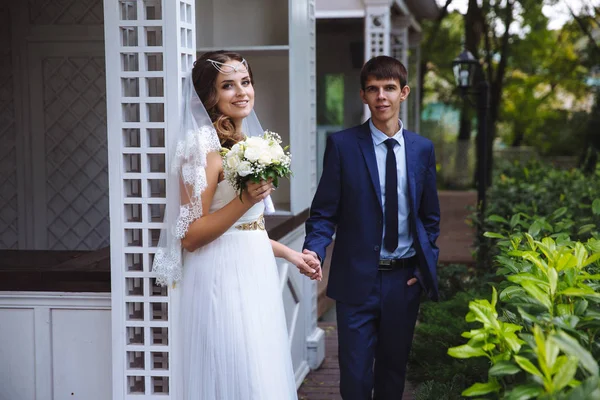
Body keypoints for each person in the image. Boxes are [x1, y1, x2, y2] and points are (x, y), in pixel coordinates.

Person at [152, 50, 321, 400]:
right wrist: (244, 200)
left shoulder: (246, 144)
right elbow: (191, 236)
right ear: (209, 96)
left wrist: (291, 254)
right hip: (219, 276)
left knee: (256, 375)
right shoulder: (200, 147)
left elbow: (247, 227)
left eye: (245, 82)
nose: (242, 91)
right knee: (232, 373)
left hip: (253, 270)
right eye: (228, 85)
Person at [303, 55, 441, 399]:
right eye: (373, 89)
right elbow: (323, 213)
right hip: (355, 280)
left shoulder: (422, 150)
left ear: (403, 93)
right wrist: (314, 249)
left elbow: (430, 218)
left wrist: (425, 270)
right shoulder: (342, 146)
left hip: (403, 280)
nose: (382, 96)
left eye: (389, 88)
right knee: (355, 375)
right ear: (363, 96)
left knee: (393, 373)